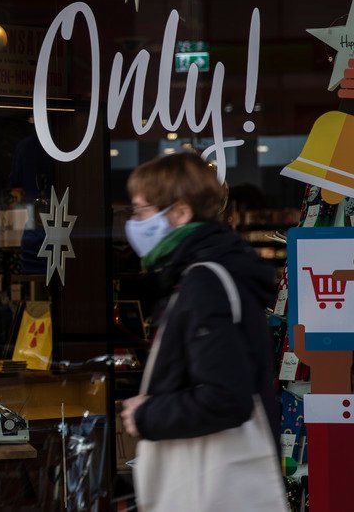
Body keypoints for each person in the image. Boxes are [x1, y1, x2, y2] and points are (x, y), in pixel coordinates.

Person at [119, 153, 285, 509]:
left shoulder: (204, 282)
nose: (133, 223)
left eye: (141, 211)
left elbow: (225, 398)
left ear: (179, 212)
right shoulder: (215, 271)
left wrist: (146, 415)